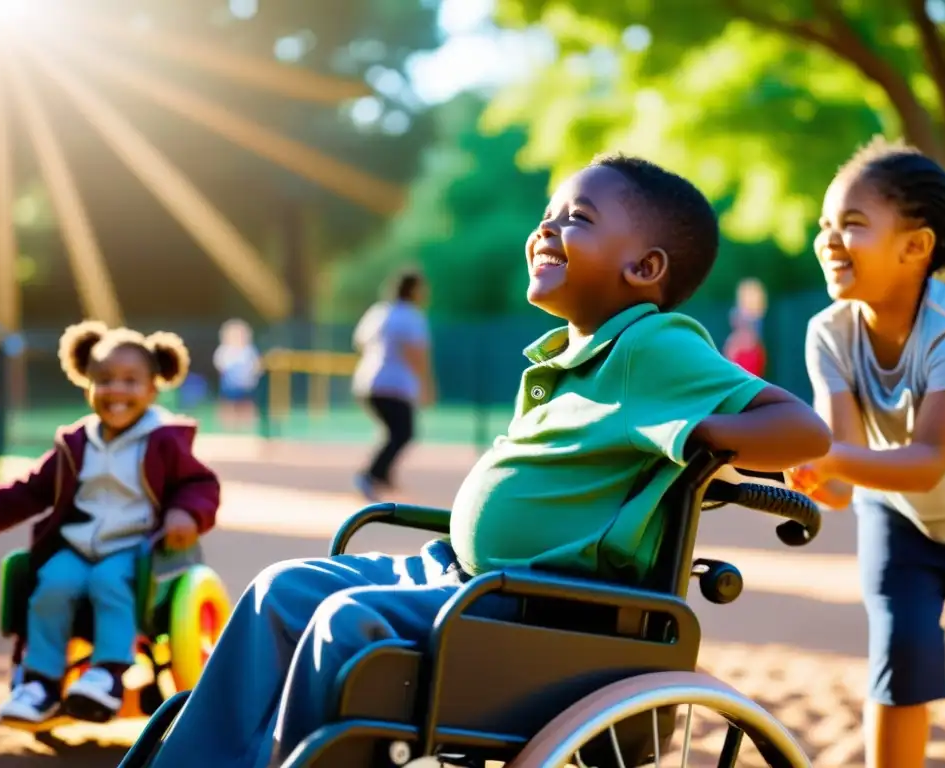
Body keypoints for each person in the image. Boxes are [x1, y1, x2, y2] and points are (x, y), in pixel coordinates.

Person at [142, 154, 831, 768]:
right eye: (548, 215)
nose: (547, 229)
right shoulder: (568, 359)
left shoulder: (654, 346)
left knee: (346, 622)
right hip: (460, 577)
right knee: (280, 589)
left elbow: (803, 430)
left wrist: (697, 431)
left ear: (645, 268)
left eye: (578, 218)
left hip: (533, 607)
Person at [784, 137, 945, 768]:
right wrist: (814, 477)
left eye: (852, 225)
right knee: (901, 648)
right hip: (900, 517)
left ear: (916, 247)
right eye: (825, 225)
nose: (829, 239)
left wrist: (830, 461)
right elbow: (845, 472)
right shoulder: (828, 332)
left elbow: (929, 457)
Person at [0, 321, 221, 726]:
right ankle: (40, 683)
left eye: (131, 381)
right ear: (86, 382)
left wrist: (185, 513)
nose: (117, 391)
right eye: (104, 379)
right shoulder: (76, 444)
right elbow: (28, 491)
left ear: (153, 388)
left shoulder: (164, 440)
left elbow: (199, 484)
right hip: (78, 545)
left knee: (110, 582)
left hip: (138, 548)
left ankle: (107, 674)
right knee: (50, 584)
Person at [351, 270, 434, 500]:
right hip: (393, 386)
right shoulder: (412, 316)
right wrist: (426, 384)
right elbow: (416, 354)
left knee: (395, 432)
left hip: (367, 382)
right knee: (403, 433)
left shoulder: (379, 312)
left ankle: (382, 475)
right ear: (414, 290)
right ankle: (370, 475)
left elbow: (359, 341)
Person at [213, 318, 262, 429]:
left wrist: (253, 374)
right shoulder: (225, 350)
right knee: (228, 403)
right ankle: (228, 424)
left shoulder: (249, 350)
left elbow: (256, 364)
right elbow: (220, 365)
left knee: (246, 403)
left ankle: (246, 424)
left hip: (246, 384)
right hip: (230, 383)